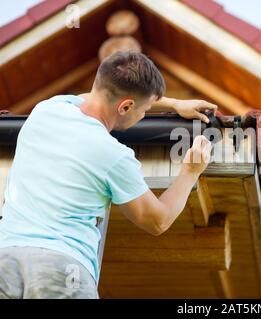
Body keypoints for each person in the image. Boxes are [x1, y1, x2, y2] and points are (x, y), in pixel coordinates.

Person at [0, 51, 217, 299]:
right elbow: (158, 220)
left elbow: (99, 96)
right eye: (145, 109)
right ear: (126, 106)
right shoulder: (114, 156)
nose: (144, 115)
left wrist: (174, 103)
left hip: (5, 259)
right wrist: (191, 171)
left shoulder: (47, 110)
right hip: (61, 270)